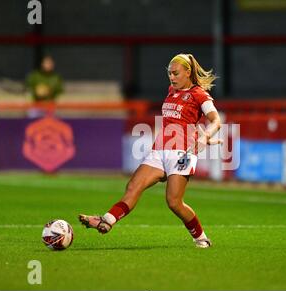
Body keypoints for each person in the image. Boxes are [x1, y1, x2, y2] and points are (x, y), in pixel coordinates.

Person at [79, 53, 222, 248]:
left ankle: (201, 238)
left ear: (188, 72)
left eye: (175, 73)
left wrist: (206, 136)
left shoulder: (200, 95)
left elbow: (216, 121)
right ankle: (107, 220)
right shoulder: (171, 90)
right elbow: (181, 121)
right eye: (169, 73)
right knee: (133, 186)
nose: (171, 77)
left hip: (182, 154)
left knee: (174, 202)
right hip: (160, 150)